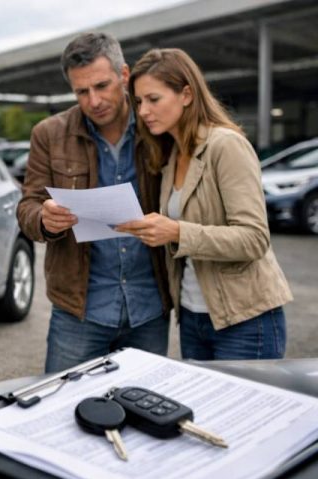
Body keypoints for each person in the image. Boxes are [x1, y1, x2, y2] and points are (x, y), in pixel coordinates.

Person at [116, 48, 292, 360]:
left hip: (245, 319)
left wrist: (176, 232)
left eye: (153, 99)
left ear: (186, 94)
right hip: (193, 316)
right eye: (139, 102)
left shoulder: (226, 145)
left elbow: (254, 239)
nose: (143, 111)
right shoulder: (171, 155)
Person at [17, 33, 171, 373]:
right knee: (65, 410)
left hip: (149, 306)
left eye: (102, 86)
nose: (94, 100)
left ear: (125, 75)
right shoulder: (49, 134)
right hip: (80, 310)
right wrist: (43, 219)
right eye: (81, 92)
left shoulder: (156, 127)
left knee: (146, 412)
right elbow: (28, 205)